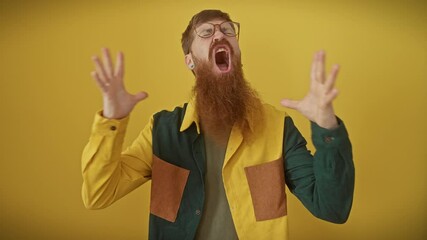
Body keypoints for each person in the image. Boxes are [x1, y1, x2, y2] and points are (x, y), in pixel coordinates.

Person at [82, 9, 355, 240]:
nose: (220, 35)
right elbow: (99, 195)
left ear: (236, 52)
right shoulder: (162, 130)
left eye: (228, 30)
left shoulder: (278, 127)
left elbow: (331, 208)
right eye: (205, 32)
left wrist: (326, 127)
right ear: (190, 60)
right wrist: (111, 121)